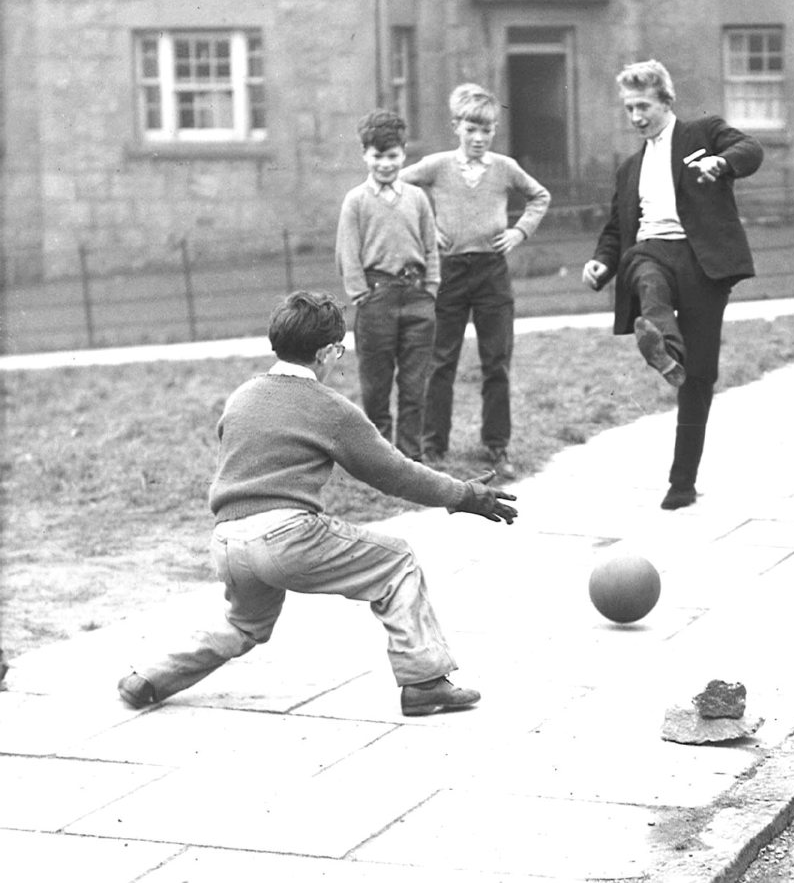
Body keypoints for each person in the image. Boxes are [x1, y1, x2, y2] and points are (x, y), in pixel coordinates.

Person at [117, 291, 517, 717]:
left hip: (228, 542)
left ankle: (148, 677)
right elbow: (395, 473)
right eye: (339, 350)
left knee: (244, 624)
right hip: (284, 537)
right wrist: (464, 495)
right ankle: (424, 681)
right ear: (326, 352)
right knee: (397, 562)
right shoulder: (330, 409)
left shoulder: (242, 396)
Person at [583, 60, 764, 510]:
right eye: (628, 109)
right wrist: (600, 263)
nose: (636, 117)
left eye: (643, 106)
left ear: (666, 101)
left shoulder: (702, 134)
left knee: (699, 377)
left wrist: (721, 163)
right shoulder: (629, 168)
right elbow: (614, 229)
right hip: (652, 250)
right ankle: (662, 343)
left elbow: (750, 149)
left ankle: (682, 483)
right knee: (646, 276)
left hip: (702, 263)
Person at [400, 84, 551, 478]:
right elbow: (397, 186)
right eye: (471, 130)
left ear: (495, 130)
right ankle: (434, 446)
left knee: (496, 362)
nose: (479, 138)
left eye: (486, 130)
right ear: (456, 128)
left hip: (492, 273)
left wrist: (519, 233)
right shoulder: (437, 166)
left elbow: (540, 196)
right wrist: (427, 229)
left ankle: (496, 447)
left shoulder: (504, 168)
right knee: (441, 360)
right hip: (448, 272)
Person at [335, 110, 439, 461]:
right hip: (376, 299)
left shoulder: (417, 198)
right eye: (377, 156)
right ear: (365, 155)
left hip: (416, 298)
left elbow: (430, 247)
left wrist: (432, 288)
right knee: (377, 387)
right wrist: (361, 295)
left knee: (414, 386)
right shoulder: (357, 201)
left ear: (403, 154)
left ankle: (411, 460)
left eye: (392, 156)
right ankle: (381, 462)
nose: (385, 164)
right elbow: (347, 254)